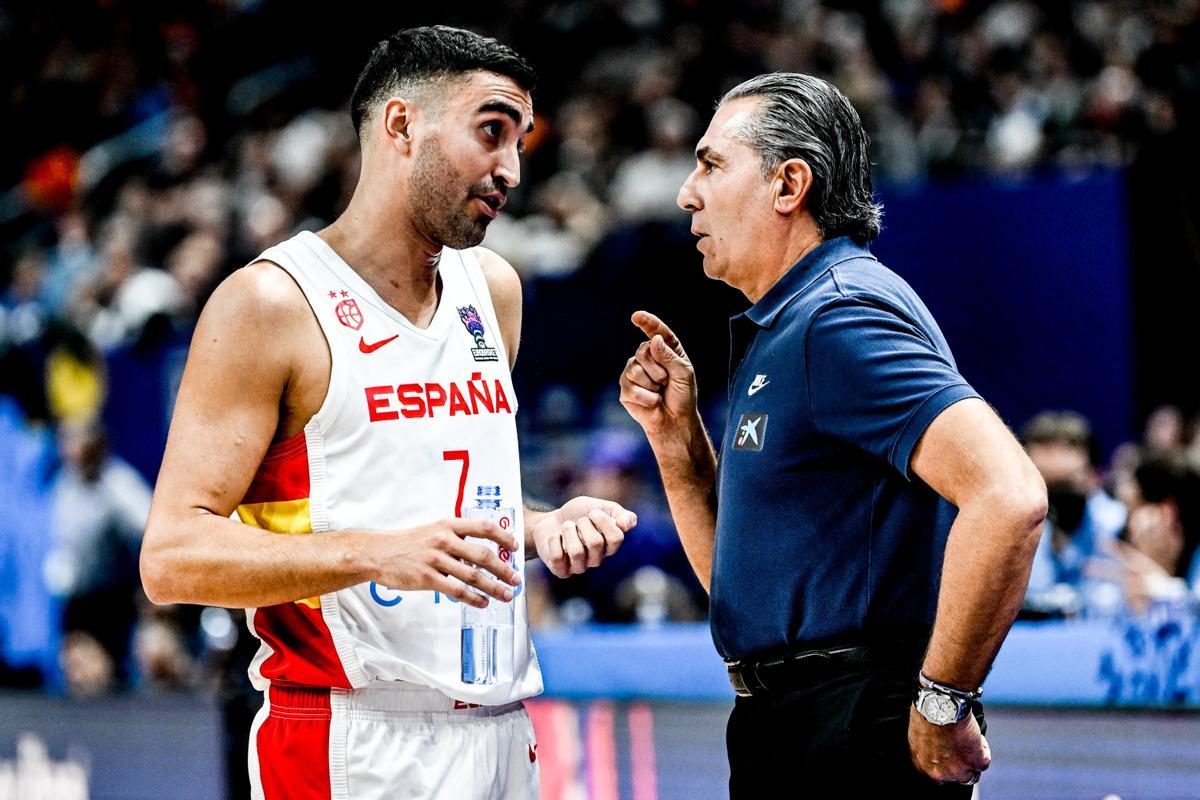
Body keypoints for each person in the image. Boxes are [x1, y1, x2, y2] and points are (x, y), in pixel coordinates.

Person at [140, 26, 636, 800]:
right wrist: (375, 555)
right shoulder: (269, 303)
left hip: (503, 728)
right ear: (401, 126)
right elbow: (171, 558)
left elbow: (445, 515)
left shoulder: (493, 290)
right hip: (348, 735)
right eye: (491, 130)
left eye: (520, 140)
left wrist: (542, 526)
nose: (510, 168)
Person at [618, 72, 1047, 796]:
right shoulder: (791, 321)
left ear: (789, 185)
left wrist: (941, 703)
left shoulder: (840, 315)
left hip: (853, 725)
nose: (688, 191)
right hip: (792, 719)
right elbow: (740, 590)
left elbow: (1009, 498)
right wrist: (676, 441)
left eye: (711, 163)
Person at [1020, 411, 1127, 616]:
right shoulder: (1007, 530)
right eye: (1046, 487)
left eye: (1067, 487)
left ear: (1093, 476)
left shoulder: (1120, 525)